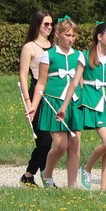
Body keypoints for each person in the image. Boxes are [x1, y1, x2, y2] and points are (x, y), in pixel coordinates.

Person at [58, 22, 106, 191]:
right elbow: (75, 83)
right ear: (99, 37)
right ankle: (87, 168)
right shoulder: (84, 56)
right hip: (92, 103)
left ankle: (104, 187)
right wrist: (64, 106)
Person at [27, 16, 80, 188]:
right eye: (67, 35)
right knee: (60, 145)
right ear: (57, 34)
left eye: (73, 36)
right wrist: (33, 106)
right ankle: (47, 173)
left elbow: (82, 82)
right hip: (53, 103)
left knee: (74, 145)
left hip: (73, 103)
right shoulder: (47, 55)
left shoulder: (79, 56)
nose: (70, 39)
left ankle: (72, 186)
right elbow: (41, 83)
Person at [17, 10, 54, 187]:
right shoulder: (29, 47)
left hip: (53, 95)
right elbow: (23, 76)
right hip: (36, 94)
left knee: (52, 141)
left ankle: (28, 175)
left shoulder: (53, 46)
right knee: (45, 140)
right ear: (37, 25)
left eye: (51, 24)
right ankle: (46, 178)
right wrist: (28, 102)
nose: (49, 27)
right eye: (45, 24)